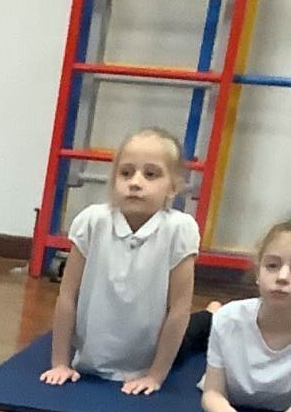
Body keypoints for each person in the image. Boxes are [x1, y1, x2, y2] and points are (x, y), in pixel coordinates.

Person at [41, 127, 199, 395]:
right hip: (95, 352)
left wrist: (155, 376)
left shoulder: (179, 229)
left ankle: (213, 313)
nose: (135, 182)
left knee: (195, 331)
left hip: (153, 345)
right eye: (126, 173)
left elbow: (179, 309)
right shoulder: (92, 222)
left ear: (173, 187)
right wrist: (60, 363)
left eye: (151, 174)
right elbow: (67, 295)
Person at [199, 216, 291, 412]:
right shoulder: (228, 320)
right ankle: (211, 311)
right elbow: (212, 392)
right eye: (272, 266)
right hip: (225, 318)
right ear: (258, 272)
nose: (282, 277)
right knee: (191, 335)